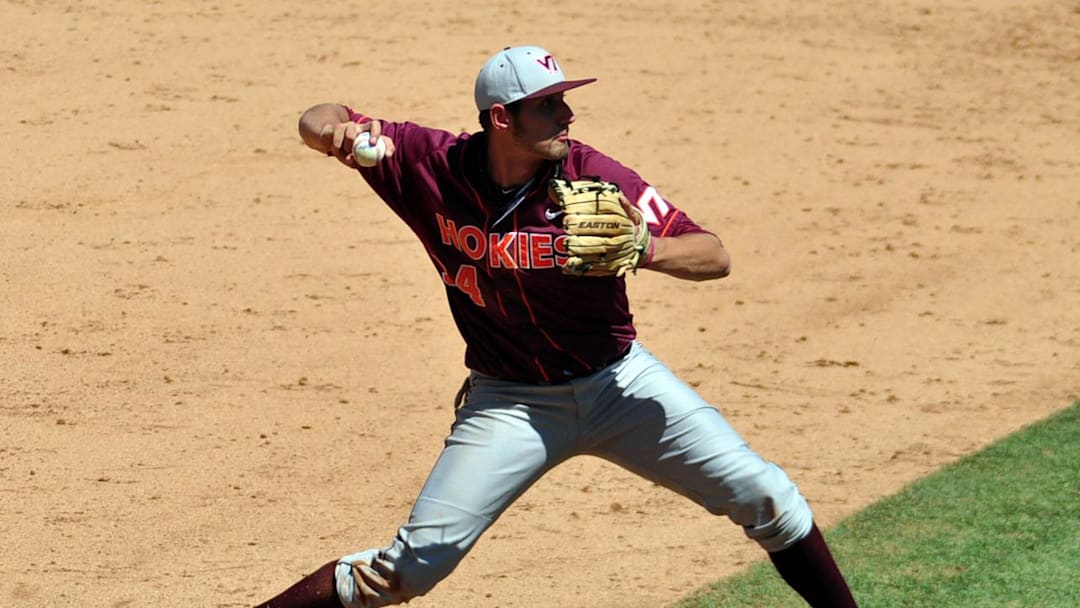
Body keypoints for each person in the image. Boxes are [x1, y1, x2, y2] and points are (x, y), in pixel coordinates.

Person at [256, 45, 857, 607]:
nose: (566, 113)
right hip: (509, 402)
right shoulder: (430, 164)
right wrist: (330, 132)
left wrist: (646, 246)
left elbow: (714, 255)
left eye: (563, 99)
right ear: (501, 118)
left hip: (619, 386)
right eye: (547, 104)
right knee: (406, 570)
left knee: (769, 497)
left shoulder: (595, 175)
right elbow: (323, 114)